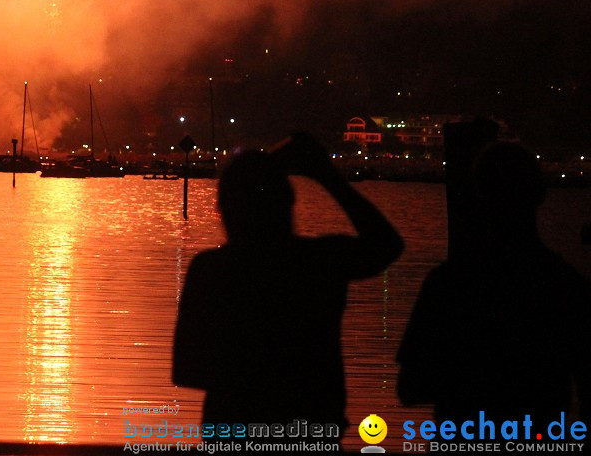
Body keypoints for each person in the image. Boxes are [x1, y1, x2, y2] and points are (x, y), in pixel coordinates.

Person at [173, 132, 404, 438]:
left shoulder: (211, 270)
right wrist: (327, 176)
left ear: (224, 209)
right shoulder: (319, 262)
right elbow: (387, 245)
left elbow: (187, 370)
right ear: (288, 201)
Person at [397, 142, 590, 432]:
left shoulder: (449, 284)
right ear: (540, 195)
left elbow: (410, 388)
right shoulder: (566, 286)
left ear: (479, 195)